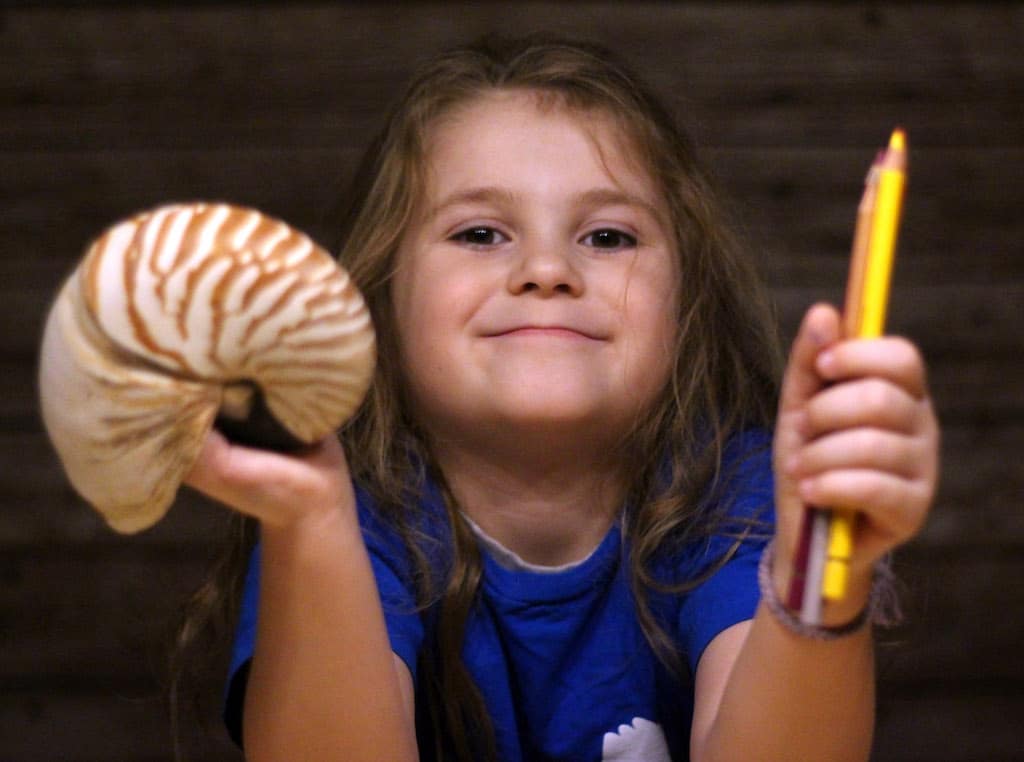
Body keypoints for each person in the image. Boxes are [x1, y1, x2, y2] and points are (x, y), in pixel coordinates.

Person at [181, 34, 939, 761]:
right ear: (379, 300)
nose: (547, 268)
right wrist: (310, 521)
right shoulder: (353, 509)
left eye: (608, 237)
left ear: (689, 302)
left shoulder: (735, 490)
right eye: (480, 233)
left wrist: (815, 580)